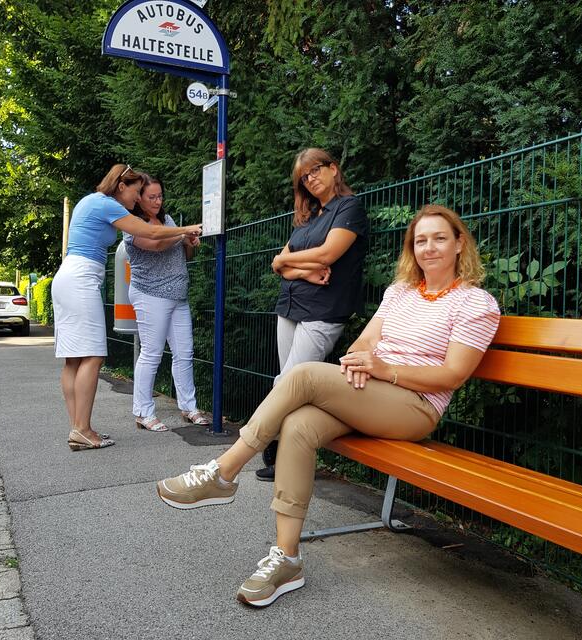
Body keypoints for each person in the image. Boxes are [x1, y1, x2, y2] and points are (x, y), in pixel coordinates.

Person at [155, 204, 500, 607]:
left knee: (302, 375)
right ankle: (287, 559)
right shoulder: (400, 293)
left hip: (415, 407)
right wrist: (357, 364)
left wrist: (383, 370)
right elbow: (363, 344)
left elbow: (453, 375)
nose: (430, 248)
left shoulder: (476, 303)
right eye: (421, 240)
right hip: (371, 393)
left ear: (459, 244)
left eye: (440, 238)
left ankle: (223, 471)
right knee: (299, 426)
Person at [51, 164, 201, 451]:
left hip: (67, 276)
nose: (136, 199)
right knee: (93, 357)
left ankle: (78, 428)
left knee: (73, 359)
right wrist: (186, 230)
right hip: (81, 279)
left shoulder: (90, 201)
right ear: (121, 186)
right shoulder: (106, 204)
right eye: (136, 192)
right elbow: (150, 233)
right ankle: (82, 429)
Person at [257, 148, 368, 481]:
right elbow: (281, 264)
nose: (310, 179)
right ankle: (288, 455)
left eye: (315, 170)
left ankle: (275, 443)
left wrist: (288, 262)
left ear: (334, 169)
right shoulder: (310, 218)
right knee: (288, 382)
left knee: (288, 382)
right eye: (304, 177)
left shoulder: (349, 209)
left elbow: (329, 254)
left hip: (324, 310)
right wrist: (301, 270)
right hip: (291, 304)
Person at [123, 174, 208, 432]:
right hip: (151, 295)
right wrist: (183, 232)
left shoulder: (168, 220)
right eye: (152, 197)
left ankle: (189, 407)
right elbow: (155, 243)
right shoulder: (133, 224)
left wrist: (190, 242)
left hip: (178, 296)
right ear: (139, 198)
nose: (158, 201)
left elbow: (185, 252)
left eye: (160, 196)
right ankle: (143, 412)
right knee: (151, 354)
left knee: (184, 353)